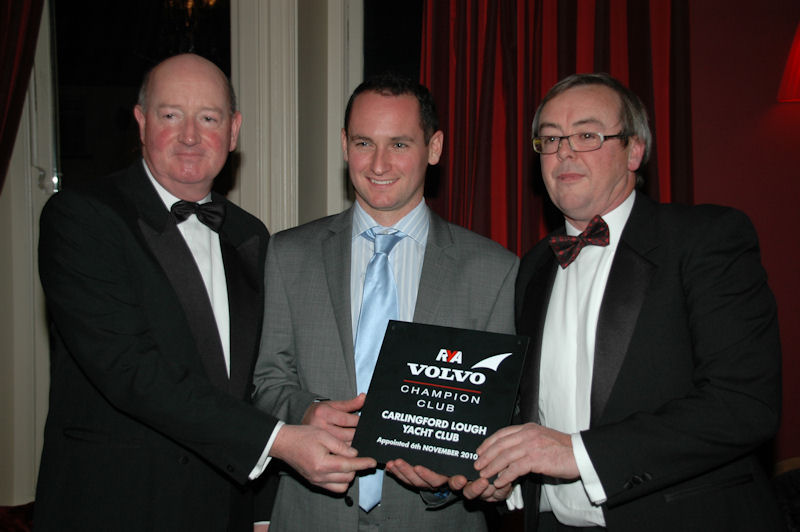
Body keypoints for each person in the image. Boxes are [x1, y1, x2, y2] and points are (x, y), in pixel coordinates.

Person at [34, 53, 375, 532]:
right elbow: (130, 370)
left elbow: (257, 376)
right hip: (114, 503)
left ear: (233, 132)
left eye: (208, 118)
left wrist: (267, 497)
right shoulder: (82, 219)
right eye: (170, 115)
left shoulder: (250, 235)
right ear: (140, 122)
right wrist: (278, 441)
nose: (190, 136)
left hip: (223, 507)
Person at [455, 72, 785, 531]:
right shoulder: (532, 267)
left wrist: (579, 454)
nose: (564, 151)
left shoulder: (705, 239)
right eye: (550, 139)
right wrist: (502, 477)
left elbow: (743, 403)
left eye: (587, 135)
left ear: (634, 150)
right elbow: (532, 415)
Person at [251, 73, 519, 531]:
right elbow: (266, 382)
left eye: (399, 144)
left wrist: (448, 478)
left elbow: (498, 419)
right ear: (343, 144)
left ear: (434, 148)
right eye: (363, 143)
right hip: (312, 517)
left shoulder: (493, 270)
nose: (378, 164)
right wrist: (306, 412)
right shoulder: (288, 254)